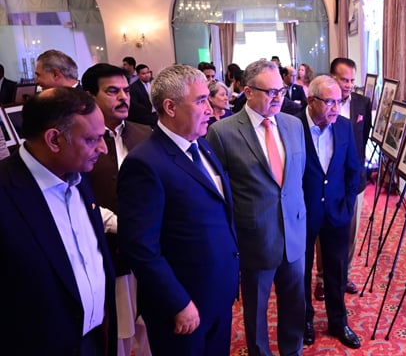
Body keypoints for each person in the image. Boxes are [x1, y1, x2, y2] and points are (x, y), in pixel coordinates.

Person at [118, 65, 240, 355]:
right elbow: (140, 247)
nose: (210, 110)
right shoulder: (144, 163)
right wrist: (178, 303)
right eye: (200, 101)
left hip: (216, 295)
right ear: (170, 107)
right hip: (183, 308)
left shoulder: (202, 146)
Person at [0, 86, 116, 355]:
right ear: (54, 139)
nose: (103, 149)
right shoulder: (6, 192)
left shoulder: (78, 175)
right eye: (91, 139)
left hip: (96, 339)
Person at [206, 60, 307, 356]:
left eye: (282, 90)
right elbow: (219, 193)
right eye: (270, 92)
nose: (279, 97)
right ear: (248, 91)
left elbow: (295, 181)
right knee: (256, 311)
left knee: (294, 305)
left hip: (294, 234)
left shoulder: (293, 124)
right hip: (254, 238)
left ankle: (293, 351)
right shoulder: (222, 132)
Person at [83, 63, 153, 356]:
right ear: (90, 96)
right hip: (108, 253)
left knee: (151, 329)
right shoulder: (82, 141)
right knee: (117, 336)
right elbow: (77, 194)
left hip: (150, 250)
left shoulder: (146, 133)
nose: (123, 97)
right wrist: (120, 224)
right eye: (112, 91)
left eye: (126, 90)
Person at [297, 75, 361, 349]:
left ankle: (338, 321)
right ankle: (305, 321)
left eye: (339, 101)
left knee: (336, 271)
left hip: (336, 212)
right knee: (301, 271)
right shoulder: (292, 126)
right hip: (302, 212)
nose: (336, 107)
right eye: (329, 102)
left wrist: (347, 204)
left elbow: (353, 169)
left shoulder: (344, 127)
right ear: (311, 101)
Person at [313, 57, 371, 299]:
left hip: (352, 180)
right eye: (343, 79)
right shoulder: (319, 104)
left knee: (349, 231)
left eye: (351, 80)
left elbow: (363, 138)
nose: (347, 85)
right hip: (324, 181)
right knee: (321, 233)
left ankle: (343, 274)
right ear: (332, 77)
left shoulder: (362, 103)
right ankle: (321, 278)